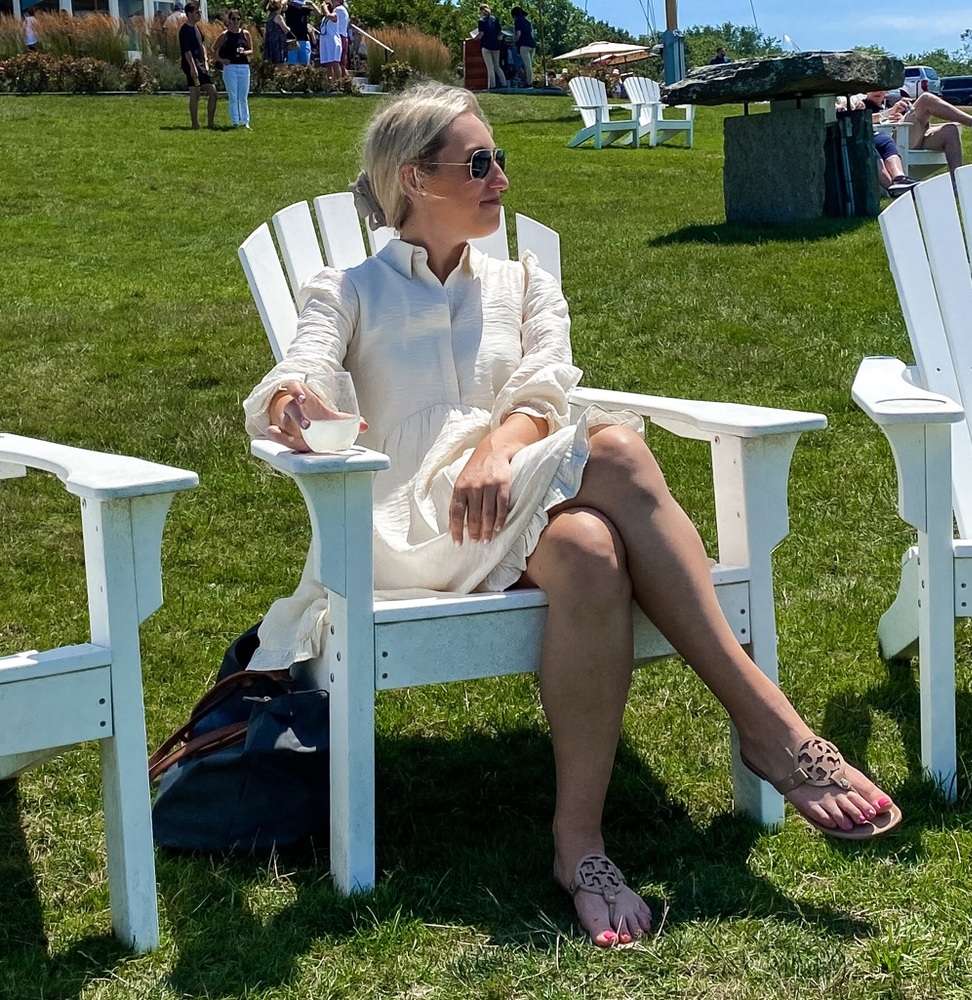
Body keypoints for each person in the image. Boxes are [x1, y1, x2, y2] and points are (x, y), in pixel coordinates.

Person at [244, 83, 903, 950]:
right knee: (621, 451)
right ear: (415, 177)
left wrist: (497, 447)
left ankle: (579, 848)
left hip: (511, 499)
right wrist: (293, 403)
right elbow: (304, 370)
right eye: (479, 163)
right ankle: (770, 729)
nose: (501, 180)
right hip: (406, 531)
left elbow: (548, 387)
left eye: (501, 160)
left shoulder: (525, 282)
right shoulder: (349, 286)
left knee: (592, 548)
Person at [873, 88, 972, 178]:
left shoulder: (889, 102)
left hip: (908, 135)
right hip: (893, 142)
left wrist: (898, 114)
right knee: (926, 99)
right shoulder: (862, 103)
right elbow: (861, 120)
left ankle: (957, 185)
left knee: (950, 130)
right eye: (873, 89)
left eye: (881, 88)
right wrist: (888, 115)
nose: (878, 91)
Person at [179, 2, 217, 130]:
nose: (199, 14)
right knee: (195, 93)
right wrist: (192, 67)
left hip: (201, 64)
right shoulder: (185, 30)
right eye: (197, 12)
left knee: (213, 92)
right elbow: (187, 51)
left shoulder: (197, 28)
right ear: (189, 14)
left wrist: (205, 60)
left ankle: (210, 123)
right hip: (192, 65)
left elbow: (201, 45)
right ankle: (195, 124)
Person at [213, 9, 252, 128]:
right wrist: (221, 60)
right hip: (230, 67)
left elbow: (251, 50)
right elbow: (214, 49)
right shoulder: (225, 35)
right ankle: (235, 121)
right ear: (229, 20)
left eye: (238, 19)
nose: (235, 21)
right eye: (233, 19)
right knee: (233, 96)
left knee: (243, 96)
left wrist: (245, 52)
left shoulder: (245, 34)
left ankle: (245, 122)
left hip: (243, 67)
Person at [474, 4, 505, 90]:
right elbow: (499, 31)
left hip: (486, 46)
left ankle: (492, 85)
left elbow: (481, 34)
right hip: (496, 45)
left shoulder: (481, 21)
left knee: (490, 67)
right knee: (497, 66)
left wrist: (474, 38)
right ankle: (504, 83)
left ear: (481, 11)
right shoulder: (495, 19)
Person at [285, 0, 318, 66]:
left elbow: (318, 13)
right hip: (291, 40)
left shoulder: (304, 10)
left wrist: (312, 4)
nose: (300, 5)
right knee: (291, 64)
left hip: (303, 39)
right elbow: (280, 7)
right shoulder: (288, 9)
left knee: (305, 64)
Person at [511, 5, 536, 87]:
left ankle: (529, 83)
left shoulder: (518, 21)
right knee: (529, 65)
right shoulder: (527, 21)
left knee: (526, 65)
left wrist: (514, 42)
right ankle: (527, 81)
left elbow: (518, 34)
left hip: (524, 45)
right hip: (532, 44)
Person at [318, 1, 342, 83]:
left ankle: (339, 83)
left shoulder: (335, 15)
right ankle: (330, 83)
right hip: (325, 41)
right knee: (328, 64)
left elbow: (328, 15)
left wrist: (324, 7)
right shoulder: (324, 19)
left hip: (333, 41)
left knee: (335, 63)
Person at [263, 0, 291, 65]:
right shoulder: (277, 16)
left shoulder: (270, 16)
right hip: (278, 43)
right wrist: (289, 28)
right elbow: (285, 29)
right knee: (280, 64)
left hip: (270, 43)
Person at [334, 0, 350, 76]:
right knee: (342, 63)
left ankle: (338, 81)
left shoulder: (337, 10)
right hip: (344, 36)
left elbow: (331, 18)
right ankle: (346, 81)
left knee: (336, 62)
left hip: (338, 36)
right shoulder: (344, 10)